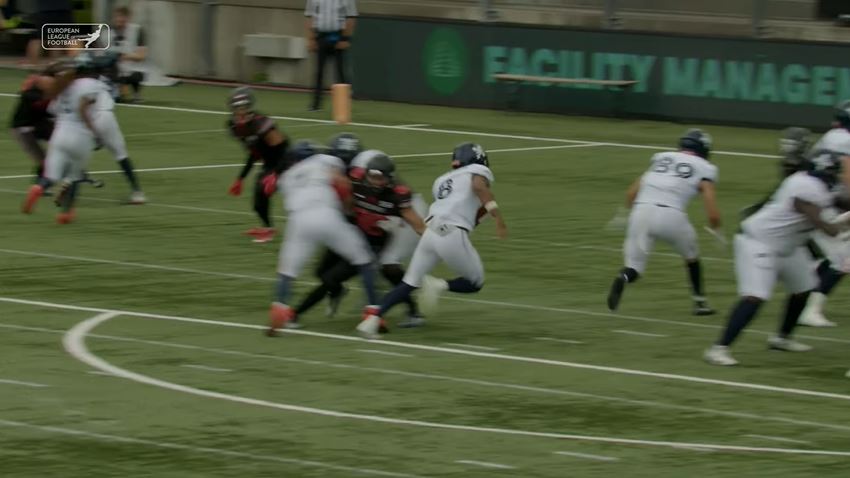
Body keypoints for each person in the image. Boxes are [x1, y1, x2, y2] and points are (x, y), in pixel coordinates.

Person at [704, 149, 850, 366]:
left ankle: (781, 338)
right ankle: (719, 348)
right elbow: (825, 227)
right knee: (755, 296)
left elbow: (841, 201)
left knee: (804, 289)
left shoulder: (815, 182)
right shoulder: (805, 187)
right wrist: (842, 222)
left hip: (788, 245)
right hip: (759, 242)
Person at [357, 143, 508, 339]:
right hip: (451, 232)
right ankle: (439, 285)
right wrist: (498, 218)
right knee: (475, 282)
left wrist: (481, 215)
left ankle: (371, 321)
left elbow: (465, 208)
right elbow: (479, 186)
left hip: (431, 231)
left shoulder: (442, 180)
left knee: (409, 283)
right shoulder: (478, 171)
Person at [289, 151, 426, 329]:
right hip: (350, 235)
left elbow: (418, 225)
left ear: (390, 178)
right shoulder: (356, 180)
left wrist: (436, 243)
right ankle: (322, 301)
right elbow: (339, 187)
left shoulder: (396, 195)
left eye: (380, 178)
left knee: (333, 278)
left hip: (372, 244)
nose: (375, 181)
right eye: (372, 177)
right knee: (324, 273)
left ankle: (295, 314)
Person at [267, 140, 380, 336]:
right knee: (364, 259)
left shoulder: (286, 177)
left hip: (298, 221)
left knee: (286, 271)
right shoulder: (324, 160)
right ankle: (372, 312)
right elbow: (341, 183)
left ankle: (280, 308)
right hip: (325, 213)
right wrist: (349, 208)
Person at [606, 129, 721, 316]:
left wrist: (623, 214)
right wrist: (716, 228)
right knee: (691, 257)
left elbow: (632, 192)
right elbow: (709, 200)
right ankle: (700, 303)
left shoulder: (662, 158)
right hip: (671, 215)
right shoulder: (705, 167)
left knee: (634, 267)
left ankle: (623, 277)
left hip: (641, 212)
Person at [21, 54, 101, 223]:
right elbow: (84, 110)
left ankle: (38, 187)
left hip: (60, 133)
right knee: (75, 175)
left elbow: (53, 110)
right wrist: (96, 133)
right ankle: (66, 212)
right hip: (80, 135)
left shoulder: (63, 87)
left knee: (51, 175)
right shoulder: (91, 84)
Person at [796, 103, 850, 327]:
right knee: (843, 258)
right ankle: (810, 309)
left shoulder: (834, 136)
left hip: (819, 198)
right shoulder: (843, 139)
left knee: (837, 256)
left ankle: (807, 299)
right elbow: (846, 176)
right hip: (822, 201)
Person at [226, 87, 290, 243]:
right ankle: (268, 228)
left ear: (249, 107)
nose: (241, 112)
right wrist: (240, 178)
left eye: (244, 107)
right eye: (237, 108)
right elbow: (254, 152)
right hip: (268, 163)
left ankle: (271, 230)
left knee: (265, 190)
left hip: (284, 161)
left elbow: (284, 148)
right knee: (257, 202)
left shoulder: (261, 123)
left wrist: (276, 173)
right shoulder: (234, 126)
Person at [304, 0, 357, 111]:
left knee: (340, 73)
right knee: (319, 72)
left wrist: (345, 39)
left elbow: (351, 17)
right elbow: (310, 16)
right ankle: (316, 104)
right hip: (321, 36)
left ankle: (343, 105)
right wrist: (311, 39)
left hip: (338, 35)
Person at [107, 6, 147, 103]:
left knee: (137, 73)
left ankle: (136, 93)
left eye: (122, 17)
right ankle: (117, 91)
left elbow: (142, 56)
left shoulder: (137, 30)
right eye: (117, 16)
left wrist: (124, 56)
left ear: (128, 18)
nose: (120, 19)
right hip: (114, 67)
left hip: (132, 66)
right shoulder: (107, 32)